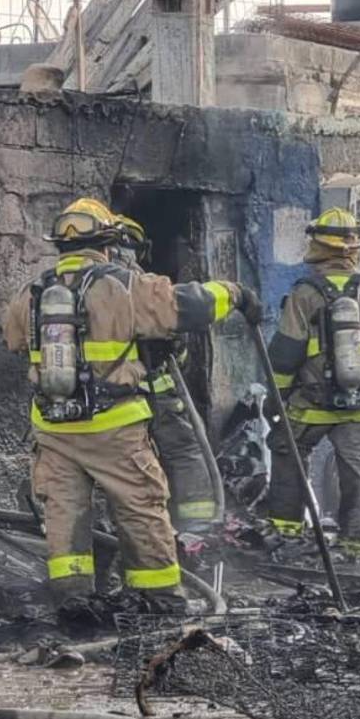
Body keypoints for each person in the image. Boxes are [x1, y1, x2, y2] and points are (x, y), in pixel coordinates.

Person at [2, 198, 262, 607]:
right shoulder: (123, 284)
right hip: (114, 427)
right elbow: (189, 306)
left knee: (64, 513)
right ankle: (158, 598)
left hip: (53, 428)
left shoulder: (30, 293)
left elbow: (13, 339)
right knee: (140, 507)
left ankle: (73, 602)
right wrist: (236, 293)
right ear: (106, 244)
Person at [264, 207, 360, 556]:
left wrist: (277, 397)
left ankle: (286, 533)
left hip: (308, 406)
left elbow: (284, 354)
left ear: (318, 247)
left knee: (288, 455)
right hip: (358, 406)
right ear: (354, 248)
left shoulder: (304, 293)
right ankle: (355, 545)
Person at [112, 214, 221, 531]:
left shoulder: (86, 287)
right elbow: (178, 343)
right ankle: (197, 531)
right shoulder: (144, 284)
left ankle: (118, 531)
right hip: (156, 393)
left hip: (109, 401)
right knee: (185, 451)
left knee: (116, 465)